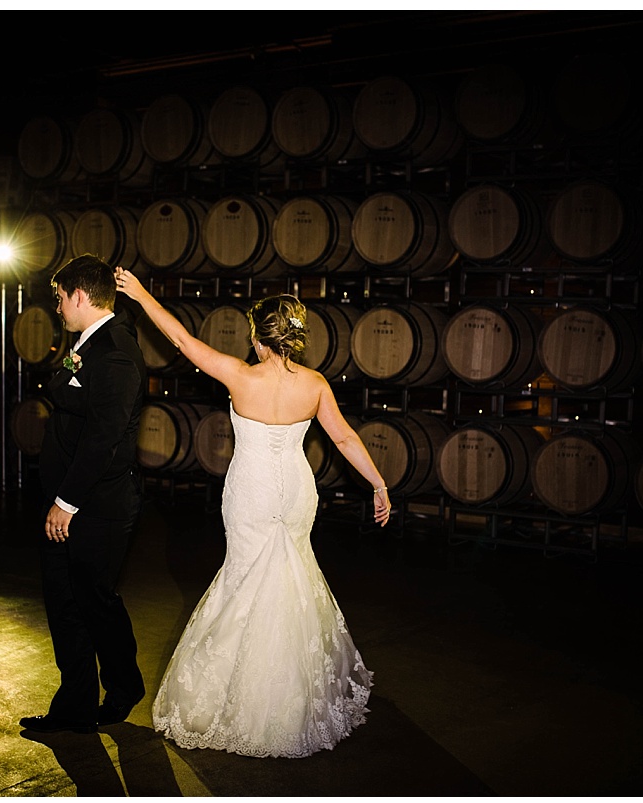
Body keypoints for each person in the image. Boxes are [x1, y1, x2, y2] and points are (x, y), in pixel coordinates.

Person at [115, 266, 391, 759]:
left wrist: (138, 294)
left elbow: (179, 338)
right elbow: (346, 437)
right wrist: (378, 483)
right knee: (292, 580)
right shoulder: (315, 384)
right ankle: (292, 699)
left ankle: (241, 700)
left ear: (258, 338)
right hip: (296, 495)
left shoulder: (239, 374)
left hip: (251, 493)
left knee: (245, 580)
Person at [21, 255, 148, 736]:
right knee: (62, 601)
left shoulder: (115, 351)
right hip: (67, 501)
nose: (56, 307)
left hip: (96, 507)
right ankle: (74, 705)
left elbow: (104, 438)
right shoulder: (87, 344)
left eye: (59, 298)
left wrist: (66, 502)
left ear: (79, 295)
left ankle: (123, 684)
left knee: (95, 601)